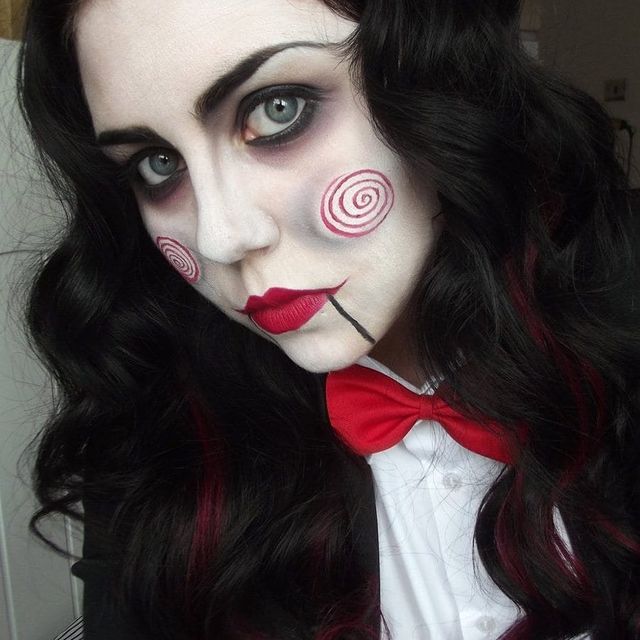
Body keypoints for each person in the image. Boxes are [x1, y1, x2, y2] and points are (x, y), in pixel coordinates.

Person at [17, 0, 640, 638]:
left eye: (276, 109)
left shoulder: (617, 329)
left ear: (438, 75)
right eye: (157, 163)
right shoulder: (155, 440)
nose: (221, 237)